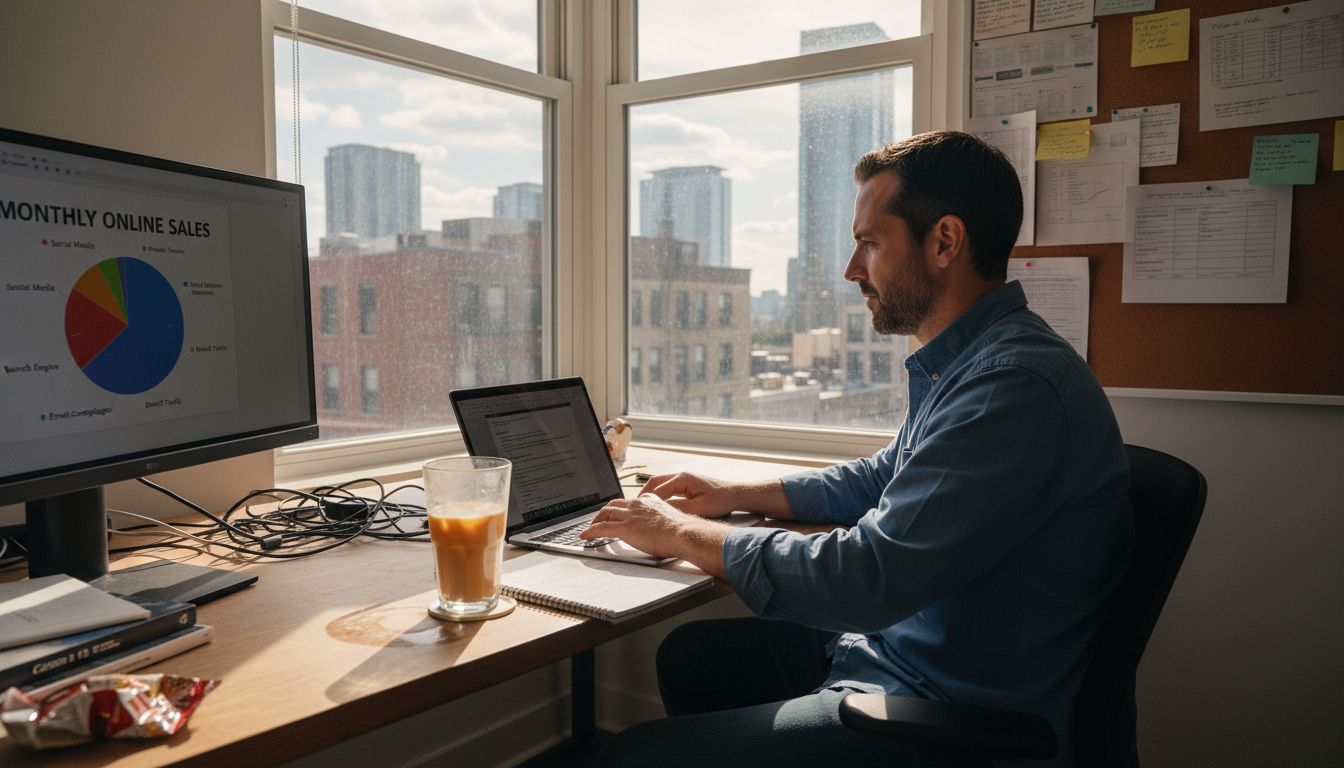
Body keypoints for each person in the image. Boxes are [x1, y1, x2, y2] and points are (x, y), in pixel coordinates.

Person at [582, 131, 1132, 767]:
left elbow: (868, 577)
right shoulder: (970, 363)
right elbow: (882, 478)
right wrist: (736, 493)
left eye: (869, 243)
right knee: (692, 656)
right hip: (900, 651)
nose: (852, 269)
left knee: (633, 756)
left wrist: (678, 534)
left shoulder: (1011, 388)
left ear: (945, 241)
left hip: (944, 708)